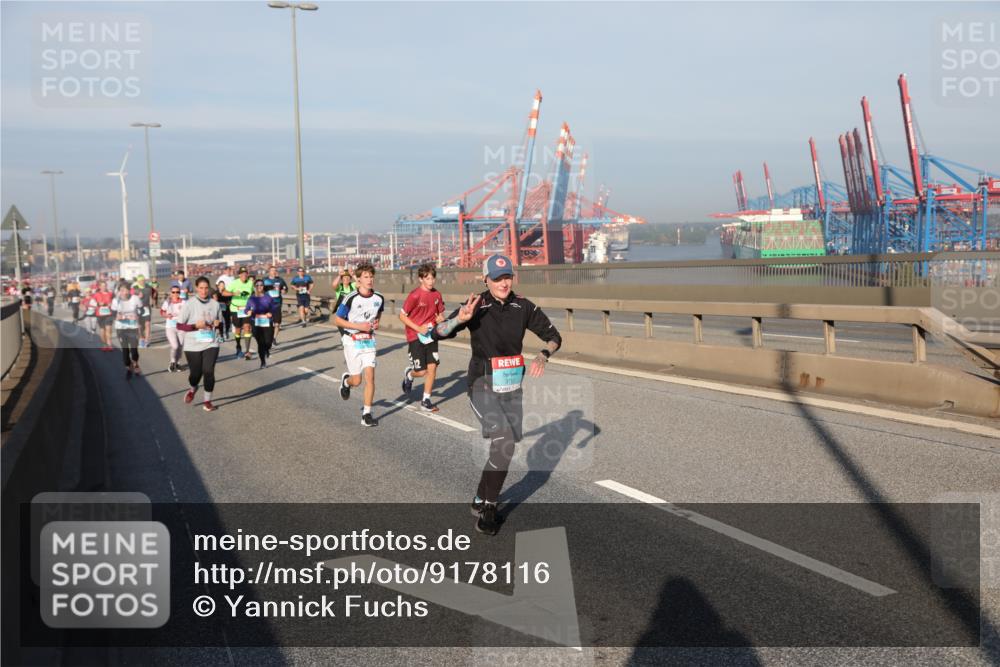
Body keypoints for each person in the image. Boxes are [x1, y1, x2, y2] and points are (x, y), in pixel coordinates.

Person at [432, 254, 562, 536]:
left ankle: (480, 498)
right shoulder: (476, 305)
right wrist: (458, 321)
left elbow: (554, 337)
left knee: (504, 448)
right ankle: (490, 509)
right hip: (481, 384)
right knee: (503, 441)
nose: (503, 283)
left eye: (507, 277)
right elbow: (437, 332)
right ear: (486, 279)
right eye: (497, 278)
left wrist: (543, 354)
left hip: (511, 388)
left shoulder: (523, 306)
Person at [334, 264, 384, 427]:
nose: (369, 280)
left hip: (368, 340)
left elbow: (378, 315)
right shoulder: (351, 298)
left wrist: (375, 324)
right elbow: (337, 320)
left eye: (371, 276)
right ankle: (346, 381)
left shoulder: (379, 297)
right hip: (351, 339)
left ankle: (366, 414)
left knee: (371, 376)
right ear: (359, 279)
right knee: (357, 380)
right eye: (365, 277)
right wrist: (359, 327)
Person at [399, 263, 446, 412]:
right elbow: (401, 316)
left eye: (433, 278)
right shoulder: (415, 295)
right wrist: (418, 328)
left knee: (432, 368)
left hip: (431, 336)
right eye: (428, 278)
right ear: (421, 279)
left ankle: (426, 400)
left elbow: (440, 315)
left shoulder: (437, 294)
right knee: (421, 372)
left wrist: (441, 319)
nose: (431, 281)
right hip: (415, 336)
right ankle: (409, 374)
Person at [175, 276, 223, 412]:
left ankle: (207, 401)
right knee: (195, 374)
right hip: (192, 344)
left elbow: (221, 324)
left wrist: (218, 324)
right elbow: (179, 325)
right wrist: (195, 326)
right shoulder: (189, 304)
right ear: (196, 288)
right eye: (201, 288)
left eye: (206, 288)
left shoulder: (215, 304)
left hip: (211, 342)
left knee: (208, 371)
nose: (203, 291)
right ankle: (193, 388)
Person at [111, 283, 143, 379]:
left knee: (134, 350)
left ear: (129, 290)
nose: (124, 293)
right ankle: (128, 368)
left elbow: (142, 310)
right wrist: (117, 317)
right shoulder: (116, 301)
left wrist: (137, 315)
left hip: (133, 327)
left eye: (126, 290)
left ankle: (136, 364)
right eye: (121, 290)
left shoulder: (135, 298)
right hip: (121, 328)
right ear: (119, 291)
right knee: (125, 351)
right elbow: (112, 313)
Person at [222, 266, 255, 360]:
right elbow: (224, 293)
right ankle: (238, 346)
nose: (244, 275)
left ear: (247, 274)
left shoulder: (250, 283)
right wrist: (233, 294)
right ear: (239, 275)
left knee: (247, 327)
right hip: (235, 309)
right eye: (242, 274)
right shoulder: (234, 283)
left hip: (246, 309)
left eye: (245, 273)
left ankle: (247, 351)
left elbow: (252, 294)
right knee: (238, 329)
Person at [245, 279, 275, 369]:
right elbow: (246, 309)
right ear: (255, 287)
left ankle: (267, 349)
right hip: (256, 322)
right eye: (257, 285)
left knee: (268, 341)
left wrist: (271, 313)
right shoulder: (251, 298)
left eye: (261, 285)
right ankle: (263, 362)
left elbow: (274, 308)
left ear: (263, 286)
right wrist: (248, 311)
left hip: (267, 322)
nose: (259, 287)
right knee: (261, 343)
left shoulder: (268, 297)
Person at [161, 284, 186, 372]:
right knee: (175, 346)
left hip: (181, 327)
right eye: (173, 292)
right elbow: (162, 312)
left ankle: (178, 363)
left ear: (179, 293)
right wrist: (167, 315)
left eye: (177, 292)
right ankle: (172, 362)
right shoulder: (167, 302)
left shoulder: (184, 302)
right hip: (170, 327)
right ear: (170, 293)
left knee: (180, 346)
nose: (175, 294)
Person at [262, 265, 288, 346]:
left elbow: (285, 288)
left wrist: (284, 291)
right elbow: (259, 290)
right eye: (272, 270)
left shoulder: (280, 280)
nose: (274, 271)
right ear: (269, 271)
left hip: (277, 303)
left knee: (277, 324)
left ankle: (274, 338)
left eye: (275, 270)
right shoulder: (264, 280)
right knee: (268, 323)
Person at [131, 275, 156, 348]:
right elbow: (130, 296)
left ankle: (147, 340)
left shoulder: (148, 287)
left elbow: (154, 292)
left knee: (147, 324)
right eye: (140, 281)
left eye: (143, 280)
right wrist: (137, 297)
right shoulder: (134, 288)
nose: (142, 282)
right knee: (139, 326)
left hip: (146, 308)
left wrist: (153, 300)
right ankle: (141, 339)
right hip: (138, 309)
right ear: (138, 281)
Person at [91, 280, 115, 352]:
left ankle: (109, 344)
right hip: (100, 314)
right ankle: (104, 344)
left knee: (108, 329)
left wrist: (112, 304)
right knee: (102, 330)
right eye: (102, 286)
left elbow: (115, 301)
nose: (104, 287)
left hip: (109, 314)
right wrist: (98, 304)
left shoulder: (110, 293)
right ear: (99, 287)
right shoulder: (96, 294)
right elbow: (91, 303)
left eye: (105, 286)